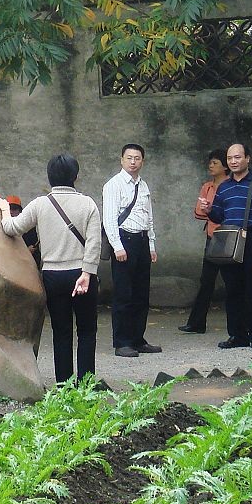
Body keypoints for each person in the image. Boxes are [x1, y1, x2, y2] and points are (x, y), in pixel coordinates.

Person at [0, 155, 102, 384]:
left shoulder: (40, 204)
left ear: (49, 176)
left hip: (52, 276)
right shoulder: (88, 204)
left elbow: (12, 228)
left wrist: (5, 209)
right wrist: (87, 273)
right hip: (82, 275)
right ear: (76, 176)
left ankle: (64, 384)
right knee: (86, 331)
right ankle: (87, 384)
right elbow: (95, 243)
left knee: (61, 331)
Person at [204, 143, 252, 350]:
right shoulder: (224, 187)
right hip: (229, 241)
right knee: (233, 290)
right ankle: (237, 335)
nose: (233, 162)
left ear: (248, 158)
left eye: (237, 157)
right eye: (230, 158)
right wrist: (209, 209)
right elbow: (219, 216)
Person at [102, 144, 160, 358]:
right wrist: (117, 246)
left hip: (142, 240)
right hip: (124, 239)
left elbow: (149, 217)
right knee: (124, 294)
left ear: (142, 161)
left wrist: (152, 244)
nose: (133, 162)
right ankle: (122, 342)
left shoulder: (143, 185)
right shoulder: (113, 185)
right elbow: (109, 219)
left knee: (141, 294)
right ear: (122, 160)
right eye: (129, 158)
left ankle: (138, 339)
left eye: (137, 158)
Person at [180, 148, 230, 334]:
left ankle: (241, 323)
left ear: (225, 166)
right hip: (212, 237)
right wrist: (208, 210)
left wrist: (212, 211)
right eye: (210, 162)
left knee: (232, 281)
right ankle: (196, 322)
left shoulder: (230, 185)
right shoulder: (207, 186)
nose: (211, 165)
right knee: (206, 281)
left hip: (228, 237)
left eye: (215, 162)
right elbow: (199, 212)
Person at [6, 195, 42, 267]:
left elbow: (34, 248)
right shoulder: (1, 225)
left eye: (14, 209)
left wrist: (30, 251)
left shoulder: (28, 226)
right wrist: (25, 252)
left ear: (20, 211)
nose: (11, 212)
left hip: (28, 265)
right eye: (9, 209)